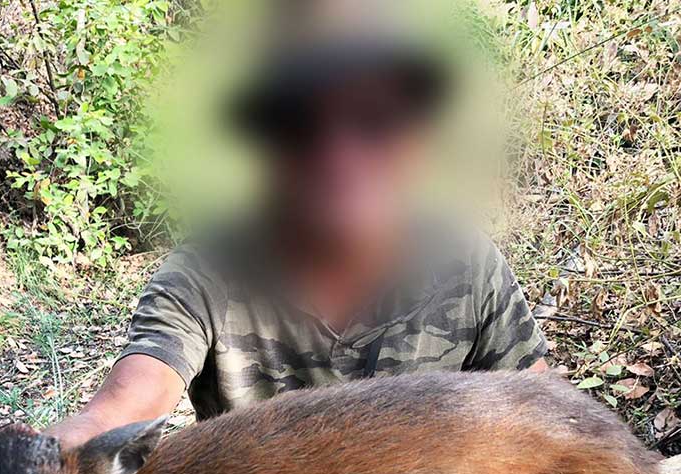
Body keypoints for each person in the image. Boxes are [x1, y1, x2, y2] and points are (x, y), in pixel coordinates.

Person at [49, 2, 548, 451]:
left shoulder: (464, 264)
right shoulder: (207, 274)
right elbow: (124, 405)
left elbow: (548, 421)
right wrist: (34, 459)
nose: (337, 156)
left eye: (374, 119)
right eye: (298, 124)